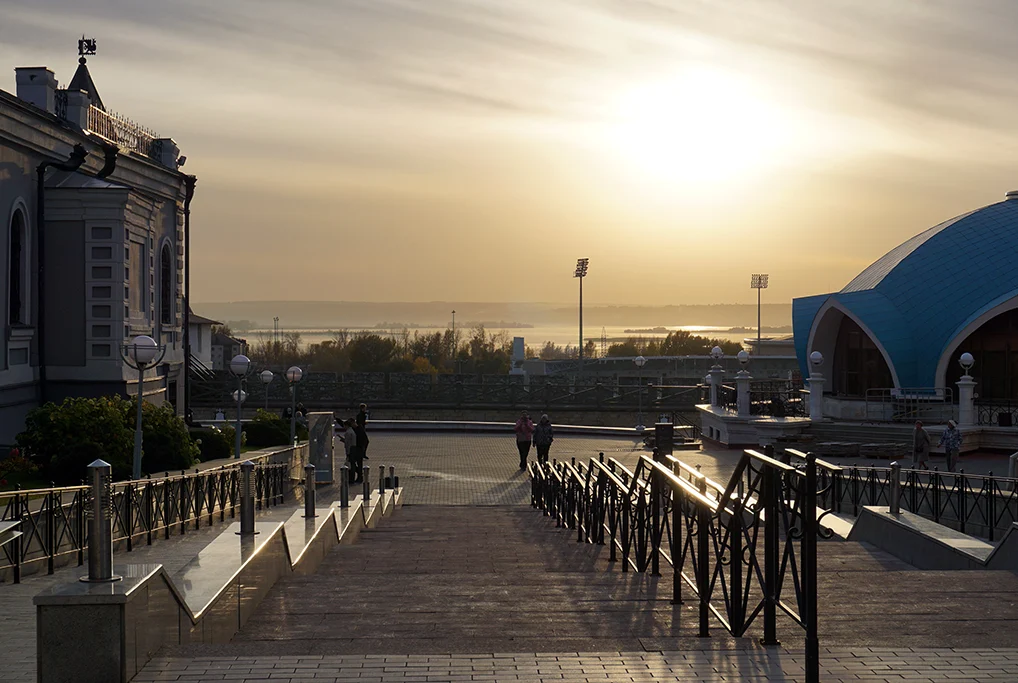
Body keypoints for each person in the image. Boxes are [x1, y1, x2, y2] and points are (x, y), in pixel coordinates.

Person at [341, 418, 361, 483]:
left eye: (344, 426)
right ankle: (358, 474)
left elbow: (347, 443)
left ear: (347, 425)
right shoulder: (352, 431)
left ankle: (351, 478)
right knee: (352, 464)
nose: (343, 427)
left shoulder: (348, 433)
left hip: (350, 449)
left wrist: (348, 453)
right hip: (353, 448)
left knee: (351, 465)